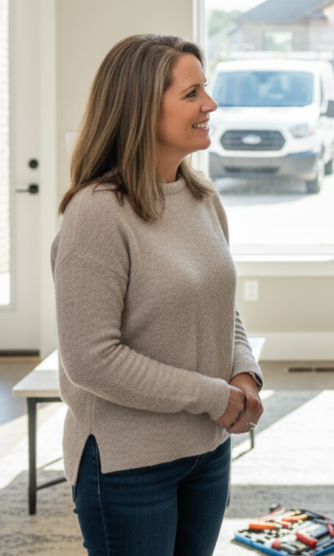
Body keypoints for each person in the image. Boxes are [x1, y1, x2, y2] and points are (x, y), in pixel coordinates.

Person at [52, 34, 264, 556]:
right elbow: (91, 360)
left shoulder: (201, 196)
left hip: (207, 450)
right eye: (192, 94)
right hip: (128, 464)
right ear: (142, 108)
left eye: (205, 89)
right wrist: (214, 397)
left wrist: (243, 372)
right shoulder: (97, 213)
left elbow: (221, 304)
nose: (210, 105)